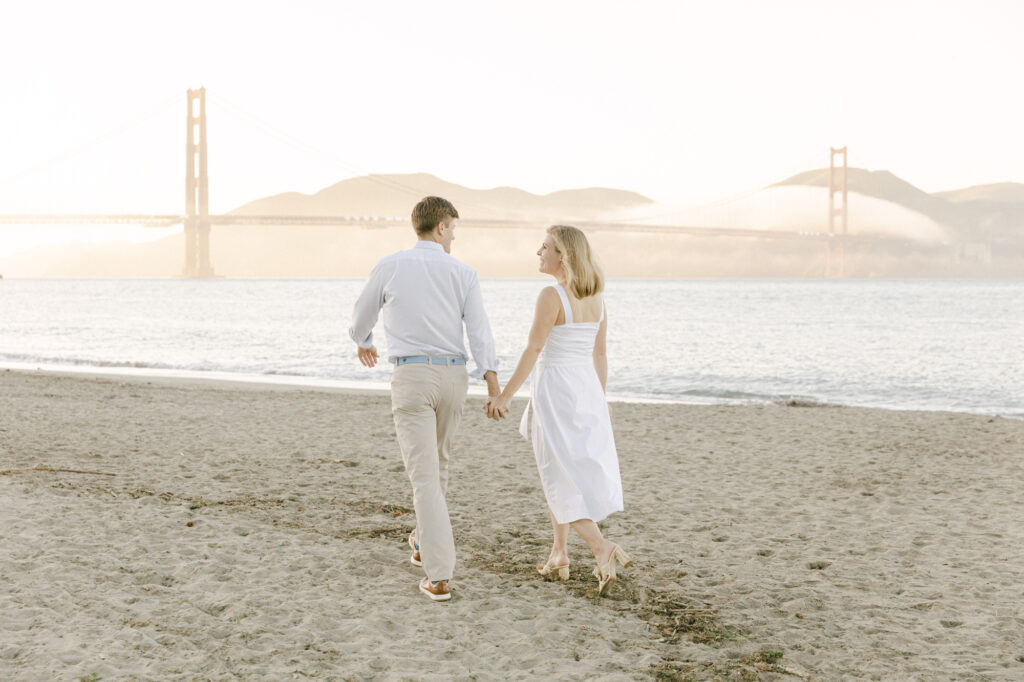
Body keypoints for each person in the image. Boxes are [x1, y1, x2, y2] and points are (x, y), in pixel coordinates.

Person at [349, 196, 500, 602]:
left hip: (413, 375)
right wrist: (492, 382)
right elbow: (480, 331)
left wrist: (363, 341)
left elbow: (362, 313)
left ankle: (439, 575)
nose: (454, 236)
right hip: (454, 375)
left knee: (425, 476)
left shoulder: (390, 265)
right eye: (453, 228)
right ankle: (422, 539)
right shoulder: (464, 272)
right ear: (441, 227)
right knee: (438, 466)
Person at [484, 225, 630, 595]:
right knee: (562, 472)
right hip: (585, 390)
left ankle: (601, 547)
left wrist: (505, 396)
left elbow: (534, 350)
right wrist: (602, 398)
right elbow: (599, 354)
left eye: (545, 247)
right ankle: (559, 552)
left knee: (557, 473)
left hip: (556, 391)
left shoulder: (551, 295)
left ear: (563, 255)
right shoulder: (597, 297)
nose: (538, 252)